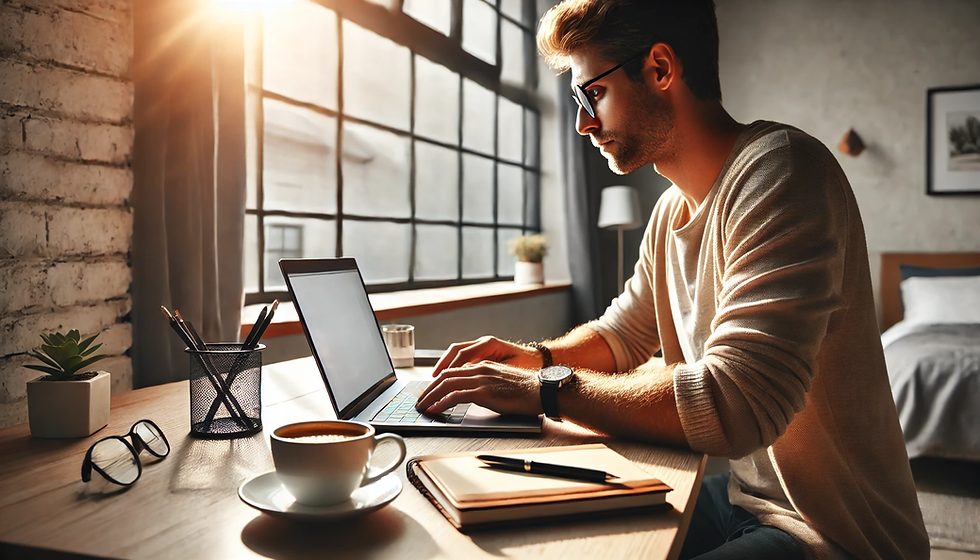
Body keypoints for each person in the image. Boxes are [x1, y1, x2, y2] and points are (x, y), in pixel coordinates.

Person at [415, 1, 929, 558]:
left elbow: (737, 402)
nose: (583, 123)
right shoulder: (669, 212)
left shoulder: (783, 171)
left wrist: (545, 391)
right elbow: (623, 337)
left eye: (593, 95)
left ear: (660, 69)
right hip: (749, 501)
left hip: (835, 534)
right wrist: (533, 360)